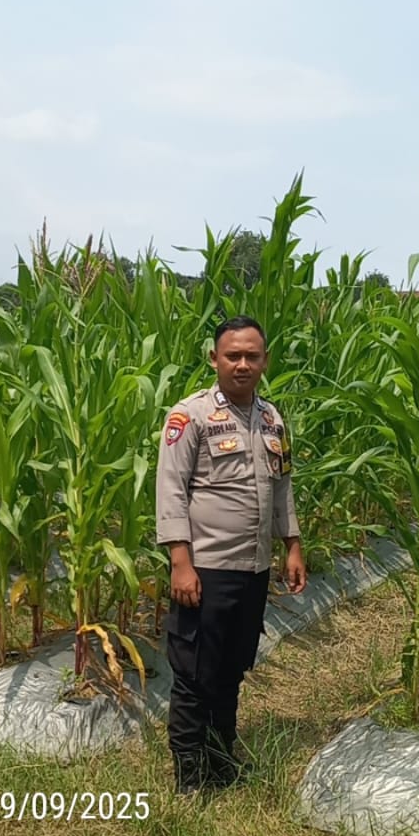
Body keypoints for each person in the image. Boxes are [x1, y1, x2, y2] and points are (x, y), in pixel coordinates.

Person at [155, 316, 307, 794]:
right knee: (194, 672)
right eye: (232, 356)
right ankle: (189, 774)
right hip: (206, 568)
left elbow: (282, 486)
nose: (242, 365)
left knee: (231, 669)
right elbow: (170, 489)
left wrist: (292, 545)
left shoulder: (272, 419)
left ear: (265, 361)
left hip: (253, 568)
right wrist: (181, 562)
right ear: (214, 359)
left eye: (252, 356)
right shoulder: (190, 416)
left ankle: (221, 762)